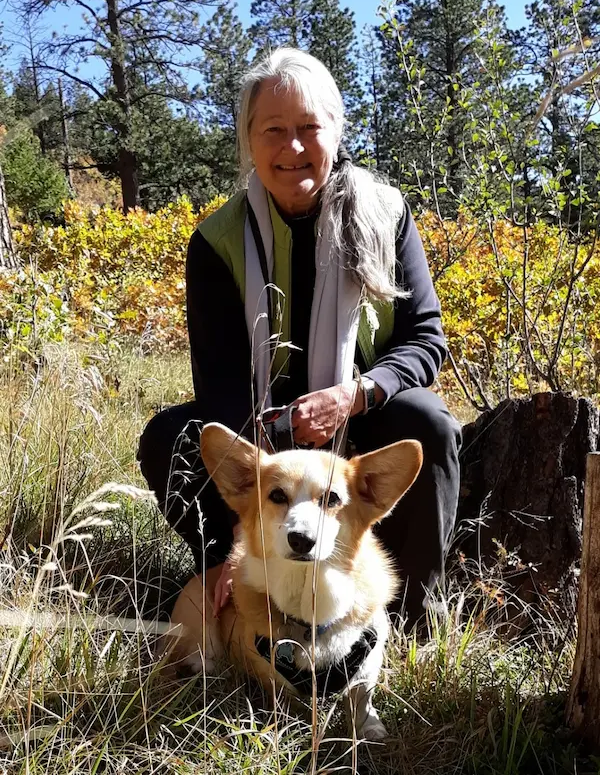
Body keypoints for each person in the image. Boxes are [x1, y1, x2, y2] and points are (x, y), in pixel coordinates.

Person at [137, 47, 462, 630]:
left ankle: (413, 615)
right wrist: (258, 480)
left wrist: (355, 395)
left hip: (360, 426)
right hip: (266, 440)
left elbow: (425, 338)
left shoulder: (385, 214)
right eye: (274, 131)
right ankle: (239, 579)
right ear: (249, 140)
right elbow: (221, 385)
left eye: (310, 128)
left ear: (335, 131)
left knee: (429, 423)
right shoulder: (217, 241)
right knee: (170, 439)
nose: (293, 148)